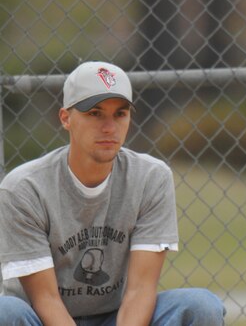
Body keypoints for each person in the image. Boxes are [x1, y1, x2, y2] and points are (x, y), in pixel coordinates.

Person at [0, 61, 226, 325]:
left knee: (201, 306)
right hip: (40, 318)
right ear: (65, 118)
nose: (109, 127)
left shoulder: (150, 178)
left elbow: (140, 290)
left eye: (120, 114)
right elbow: (45, 300)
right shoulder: (25, 188)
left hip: (117, 316)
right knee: (5, 312)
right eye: (95, 113)